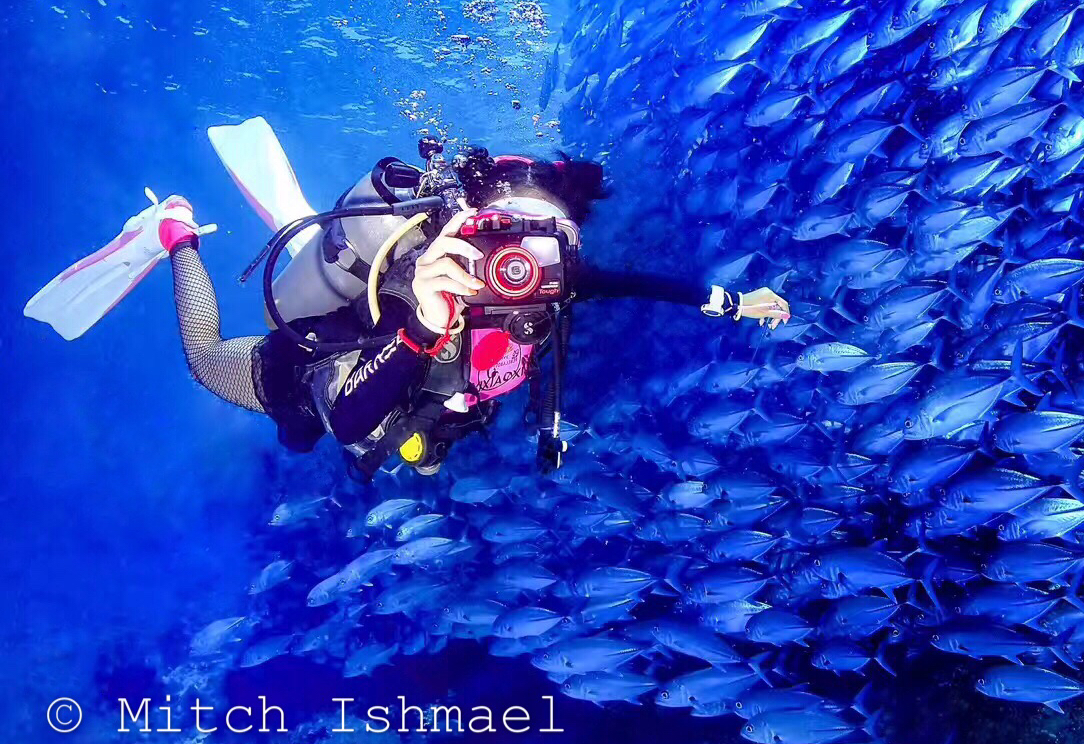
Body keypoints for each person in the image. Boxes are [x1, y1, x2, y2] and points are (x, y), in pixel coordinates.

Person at [26, 119, 790, 479]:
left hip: (403, 405)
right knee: (206, 362)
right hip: (313, 372)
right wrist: (424, 319)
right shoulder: (428, 274)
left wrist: (729, 301)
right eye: (511, 240)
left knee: (371, 450)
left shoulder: (551, 276)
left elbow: (631, 282)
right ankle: (177, 233)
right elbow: (355, 414)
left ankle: (309, 250)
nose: (518, 268)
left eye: (544, 248)